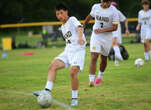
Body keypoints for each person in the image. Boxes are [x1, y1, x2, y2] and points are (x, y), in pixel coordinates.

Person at [33, 3, 86, 106]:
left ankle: (74, 98)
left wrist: (80, 37)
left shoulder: (72, 19)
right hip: (68, 51)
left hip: (78, 51)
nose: (59, 16)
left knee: (72, 72)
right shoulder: (62, 27)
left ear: (66, 12)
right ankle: (47, 91)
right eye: (57, 14)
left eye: (61, 13)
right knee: (53, 66)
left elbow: (80, 27)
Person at [83, 0, 119, 87]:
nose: (105, 4)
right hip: (96, 35)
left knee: (103, 59)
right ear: (101, 1)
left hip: (107, 38)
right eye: (104, 2)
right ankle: (91, 81)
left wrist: (102, 30)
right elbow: (90, 16)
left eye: (108, 2)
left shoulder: (114, 11)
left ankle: (99, 77)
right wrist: (83, 25)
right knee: (94, 56)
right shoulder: (95, 7)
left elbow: (115, 27)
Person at [111, 2, 130, 66]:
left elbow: (125, 20)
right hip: (111, 30)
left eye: (114, 6)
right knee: (115, 45)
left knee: (115, 44)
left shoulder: (118, 12)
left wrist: (127, 29)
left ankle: (119, 57)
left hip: (116, 30)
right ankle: (117, 61)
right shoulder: (108, 13)